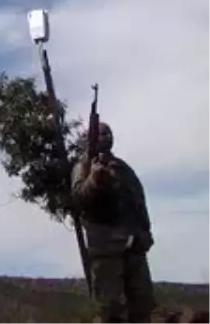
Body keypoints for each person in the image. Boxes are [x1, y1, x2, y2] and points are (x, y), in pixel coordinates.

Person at [71, 122, 156, 324]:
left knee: (142, 305)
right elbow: (79, 198)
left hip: (133, 245)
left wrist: (144, 234)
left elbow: (137, 201)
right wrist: (94, 180)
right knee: (111, 310)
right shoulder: (83, 167)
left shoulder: (122, 168)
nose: (105, 136)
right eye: (100, 134)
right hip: (106, 248)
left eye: (107, 133)